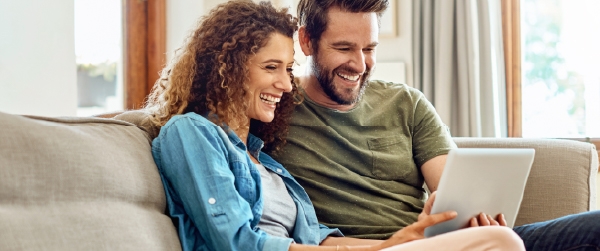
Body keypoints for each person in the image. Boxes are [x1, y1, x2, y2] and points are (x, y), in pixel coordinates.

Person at [144, 1, 524, 251]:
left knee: (509, 237)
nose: (283, 84)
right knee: (501, 243)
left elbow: (320, 239)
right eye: (271, 68)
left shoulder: (264, 158)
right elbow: (237, 242)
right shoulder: (190, 133)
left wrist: (394, 243)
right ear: (227, 68)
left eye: (286, 69)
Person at [268, 0, 600, 250]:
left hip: (443, 242)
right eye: (343, 48)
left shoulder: (405, 103)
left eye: (369, 49)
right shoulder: (272, 109)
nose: (359, 64)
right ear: (307, 40)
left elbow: (455, 189)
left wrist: (472, 213)